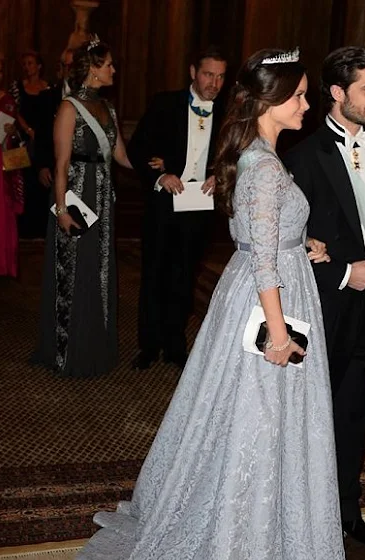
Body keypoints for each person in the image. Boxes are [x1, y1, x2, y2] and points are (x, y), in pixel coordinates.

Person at [76, 47, 346, 560]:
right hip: (267, 303)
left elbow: (263, 238)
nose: (307, 103)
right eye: (298, 95)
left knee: (253, 419)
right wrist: (277, 333)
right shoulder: (264, 167)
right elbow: (265, 261)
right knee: (257, 419)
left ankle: (268, 535)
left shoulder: (260, 156)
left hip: (264, 286)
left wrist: (308, 246)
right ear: (269, 102)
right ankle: (236, 549)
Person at [285, 46, 365, 549]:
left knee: (356, 409)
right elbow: (288, 241)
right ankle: (298, 515)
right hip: (322, 303)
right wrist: (341, 275)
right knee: (310, 413)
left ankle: (346, 511)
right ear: (338, 93)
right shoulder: (302, 157)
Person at [32, 37, 132, 377]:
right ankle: (65, 350)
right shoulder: (69, 107)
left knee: (98, 271)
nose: (114, 70)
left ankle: (93, 346)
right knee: (71, 272)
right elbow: (60, 164)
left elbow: (120, 156)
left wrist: (160, 170)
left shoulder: (110, 108)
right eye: (108, 65)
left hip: (103, 198)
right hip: (74, 196)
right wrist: (60, 211)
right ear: (92, 69)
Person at [128, 46, 227, 371]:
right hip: (164, 202)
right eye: (208, 74)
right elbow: (138, 147)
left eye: (220, 76)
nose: (214, 82)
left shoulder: (229, 112)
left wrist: (221, 175)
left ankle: (174, 343)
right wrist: (161, 175)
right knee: (155, 272)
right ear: (192, 72)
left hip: (201, 206)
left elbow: (237, 155)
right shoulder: (165, 103)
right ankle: (148, 344)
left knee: (185, 278)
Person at [9, 51, 50, 238]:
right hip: (22, 141)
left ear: (39, 66)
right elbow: (12, 110)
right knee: (21, 182)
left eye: (31, 63)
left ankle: (39, 227)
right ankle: (22, 228)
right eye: (24, 64)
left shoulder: (48, 87)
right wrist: (28, 130)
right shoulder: (17, 87)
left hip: (41, 141)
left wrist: (39, 134)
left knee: (39, 182)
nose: (27, 67)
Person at [0, 52, 24, 277]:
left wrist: (12, 132)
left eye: (0, 70)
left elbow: (12, 141)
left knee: (1, 209)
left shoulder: (6, 100)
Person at [35, 48, 74, 191]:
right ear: (62, 68)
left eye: (75, 65)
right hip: (53, 167)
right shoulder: (47, 98)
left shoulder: (90, 100)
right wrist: (42, 166)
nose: (70, 70)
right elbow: (41, 134)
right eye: (67, 66)